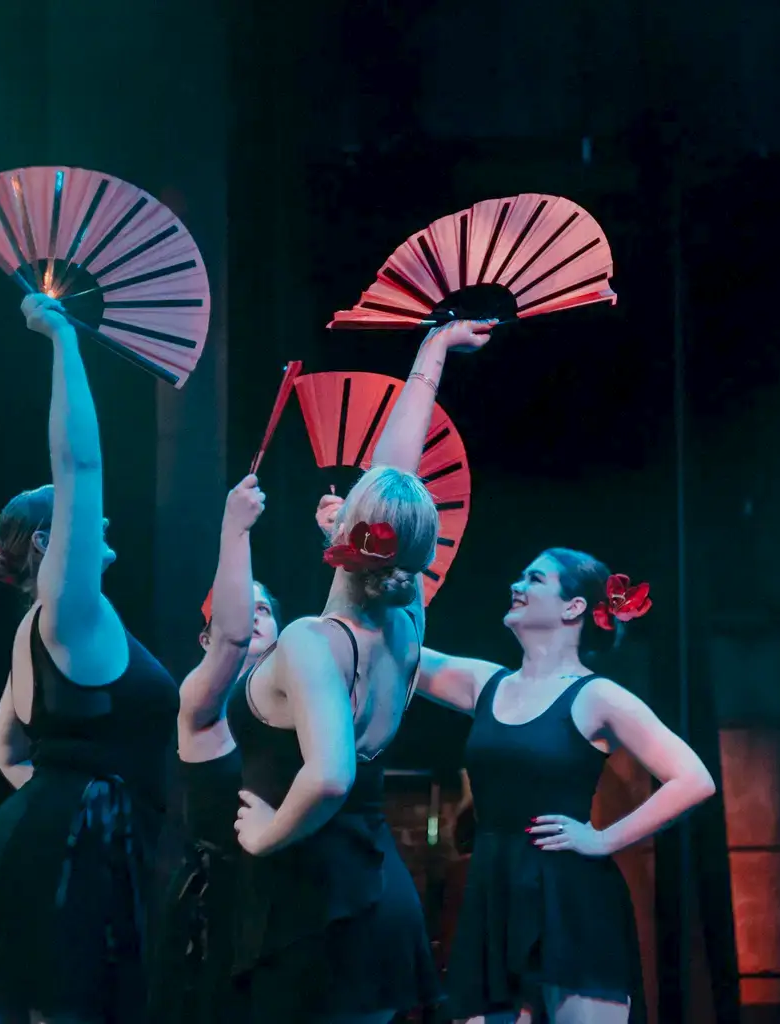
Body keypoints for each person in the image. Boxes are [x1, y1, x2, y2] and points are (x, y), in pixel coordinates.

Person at [313, 329, 717, 1024]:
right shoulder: (484, 685)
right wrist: (354, 553)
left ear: (573, 608)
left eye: (532, 578)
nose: (515, 583)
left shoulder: (597, 698)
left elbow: (694, 778)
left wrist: (601, 839)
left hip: (572, 901)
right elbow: (387, 633)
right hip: (493, 896)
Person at [225, 318, 495, 1023]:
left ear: (348, 539)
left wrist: (267, 833)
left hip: (313, 898)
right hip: (378, 891)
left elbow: (332, 775)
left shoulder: (313, 640)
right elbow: (397, 476)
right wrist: (430, 355)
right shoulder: (409, 622)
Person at [0, 293, 179, 1024]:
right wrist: (63, 341)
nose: (100, 517)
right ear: (49, 546)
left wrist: (55, 799)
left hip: (48, 830)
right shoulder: (70, 610)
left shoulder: (39, 628)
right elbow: (79, 462)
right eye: (75, 518)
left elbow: (5, 746)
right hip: (73, 843)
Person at [146, 472, 278, 1023]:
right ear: (205, 640)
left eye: (265, 610)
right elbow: (231, 637)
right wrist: (235, 529)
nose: (253, 620)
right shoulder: (201, 700)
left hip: (290, 901)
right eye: (241, 609)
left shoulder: (308, 701)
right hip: (220, 915)